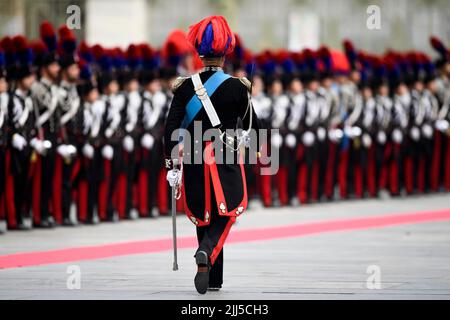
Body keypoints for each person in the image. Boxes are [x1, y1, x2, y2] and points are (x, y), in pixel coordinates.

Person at [164, 16, 260, 294]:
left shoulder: (184, 86)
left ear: (200, 52)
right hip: (224, 154)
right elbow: (255, 127)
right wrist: (251, 147)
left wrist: (172, 163)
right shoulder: (237, 87)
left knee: (202, 212)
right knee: (228, 211)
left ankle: (213, 278)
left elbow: (171, 128)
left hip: (193, 156)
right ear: (224, 53)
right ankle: (205, 251)